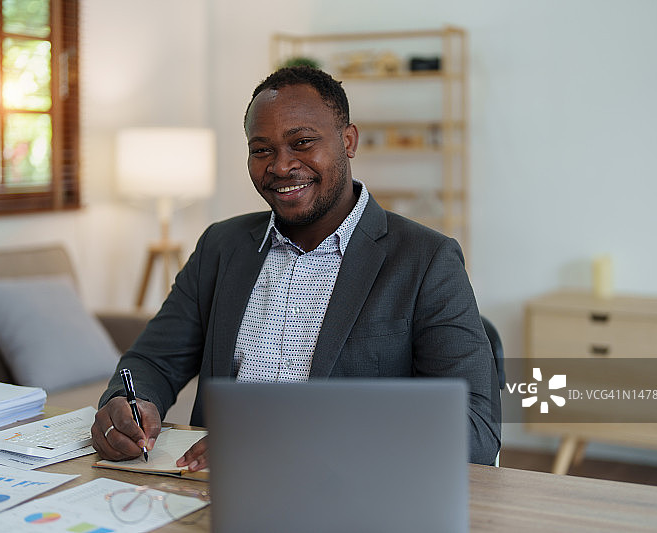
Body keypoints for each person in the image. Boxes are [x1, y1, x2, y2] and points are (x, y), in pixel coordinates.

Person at [92, 66, 501, 468]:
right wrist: (127, 403)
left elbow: (474, 429)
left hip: (344, 491)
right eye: (261, 150)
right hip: (211, 491)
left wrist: (285, 436)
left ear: (348, 141)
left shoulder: (426, 260)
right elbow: (154, 361)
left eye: (302, 143)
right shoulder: (221, 246)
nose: (281, 166)